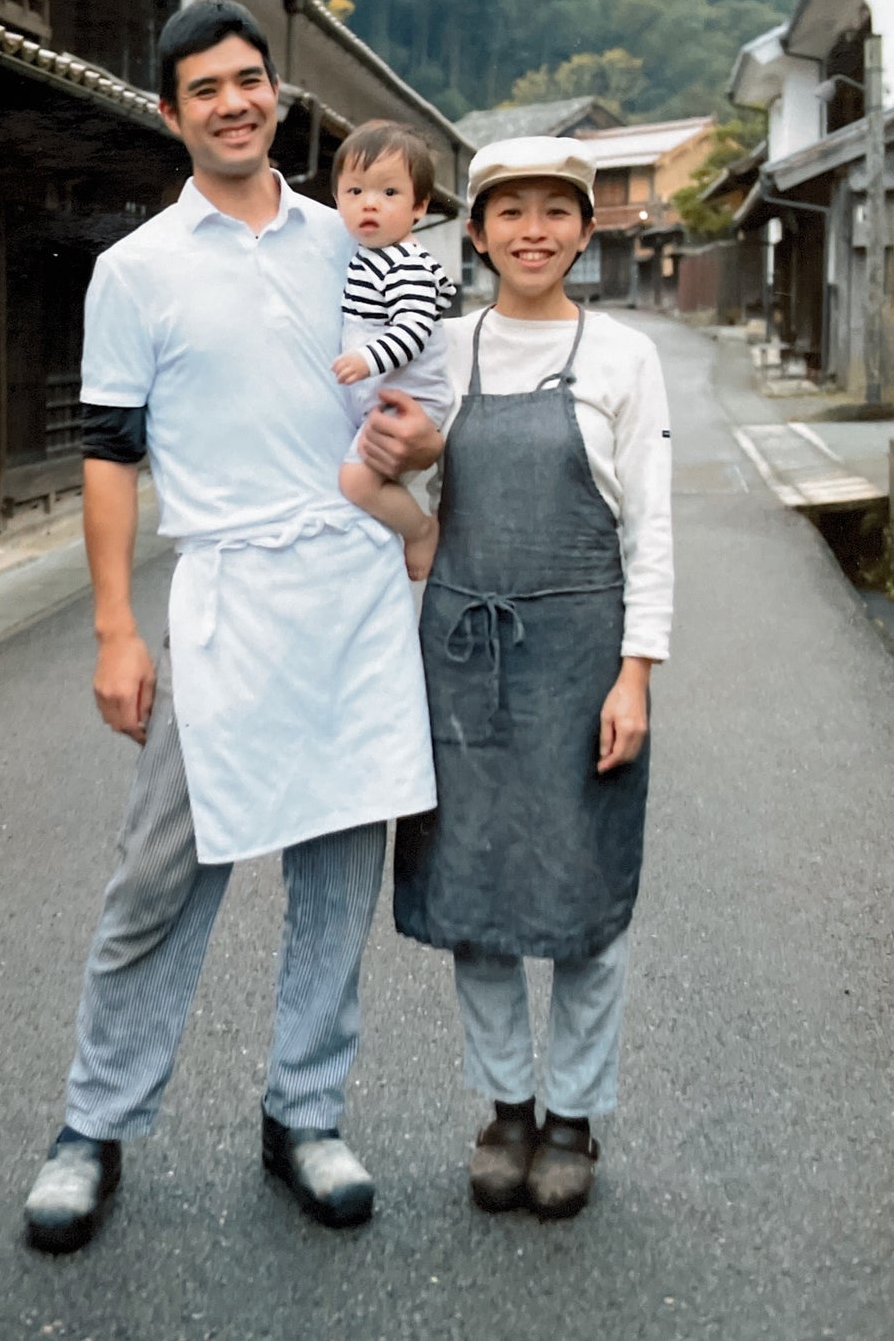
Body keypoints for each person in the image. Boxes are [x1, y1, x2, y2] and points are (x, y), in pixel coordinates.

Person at [23, 0, 441, 1253]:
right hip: (226, 596)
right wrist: (113, 626)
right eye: (204, 87)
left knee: (334, 876)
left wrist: (429, 443)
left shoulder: (349, 240)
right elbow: (109, 451)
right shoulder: (137, 266)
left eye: (249, 80)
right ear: (171, 112)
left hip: (355, 588)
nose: (233, 101)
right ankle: (92, 1125)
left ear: (277, 98)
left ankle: (305, 1112)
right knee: (159, 877)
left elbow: (420, 391)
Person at [393, 135, 673, 1221]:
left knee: (583, 895)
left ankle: (573, 1114)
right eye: (510, 211)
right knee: (477, 893)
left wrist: (635, 672)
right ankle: (506, 1105)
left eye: (557, 211)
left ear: (586, 231)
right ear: (475, 231)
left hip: (580, 655)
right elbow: (396, 460)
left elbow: (651, 531)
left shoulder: (622, 357)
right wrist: (406, 491)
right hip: (463, 657)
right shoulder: (445, 349)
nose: (533, 231)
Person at [331, 121, 456, 579]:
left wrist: (366, 359)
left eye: (388, 193)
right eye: (355, 190)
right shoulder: (368, 255)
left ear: (419, 206)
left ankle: (420, 529)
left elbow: (413, 329)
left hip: (412, 397)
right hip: (387, 395)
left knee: (357, 480)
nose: (369, 203)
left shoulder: (406, 263)